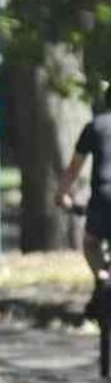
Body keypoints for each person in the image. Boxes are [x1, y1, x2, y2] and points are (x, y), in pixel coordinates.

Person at [56, 85, 111, 316]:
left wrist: (62, 195)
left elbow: (73, 169)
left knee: (90, 243)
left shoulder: (95, 126)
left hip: (104, 197)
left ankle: (102, 277)